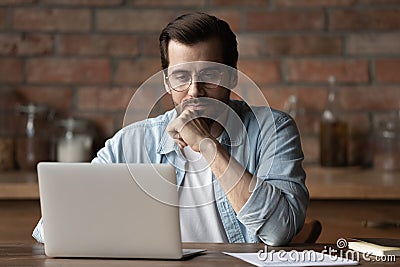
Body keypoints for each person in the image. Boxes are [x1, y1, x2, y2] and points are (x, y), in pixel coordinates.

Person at [33, 12, 308, 245]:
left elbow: (278, 230)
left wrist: (207, 146)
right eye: (180, 77)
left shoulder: (273, 130)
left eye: (209, 75)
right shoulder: (133, 142)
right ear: (166, 82)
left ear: (232, 76)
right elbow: (50, 229)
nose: (194, 91)